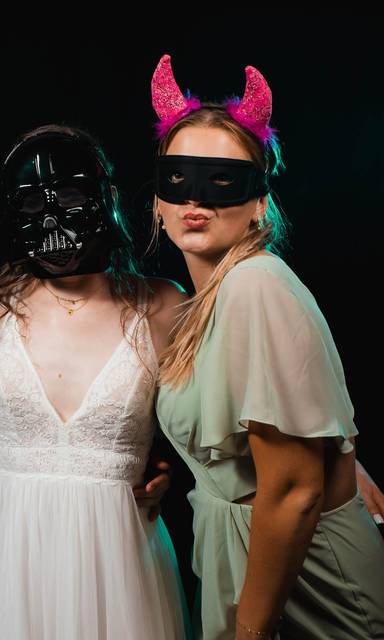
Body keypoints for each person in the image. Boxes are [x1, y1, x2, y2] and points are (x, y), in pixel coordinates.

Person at [150, 53, 384, 639]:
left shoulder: (255, 285)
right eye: (177, 178)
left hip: (308, 595)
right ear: (157, 200)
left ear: (259, 205)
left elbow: (295, 488)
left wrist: (250, 633)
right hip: (255, 573)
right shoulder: (205, 300)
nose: (194, 199)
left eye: (224, 181)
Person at [0, 125, 190, 639]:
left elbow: (227, 405)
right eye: (31, 205)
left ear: (102, 198)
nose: (51, 217)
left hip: (118, 551)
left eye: (68, 195)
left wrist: (340, 459)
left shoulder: (163, 304)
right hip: (14, 545)